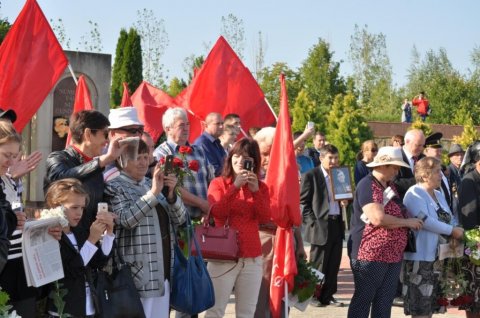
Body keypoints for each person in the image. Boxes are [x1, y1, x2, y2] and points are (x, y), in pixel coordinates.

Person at [105, 139, 187, 318]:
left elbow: (180, 219)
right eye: (137, 158)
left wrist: (171, 194)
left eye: (145, 157)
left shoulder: (150, 183)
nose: (143, 162)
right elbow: (126, 219)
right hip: (138, 273)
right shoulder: (114, 186)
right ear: (122, 161)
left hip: (163, 269)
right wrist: (153, 194)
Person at [347, 146, 423, 318]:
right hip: (371, 254)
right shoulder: (367, 184)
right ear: (382, 165)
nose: (397, 171)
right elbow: (377, 219)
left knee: (384, 300)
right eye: (394, 167)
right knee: (364, 299)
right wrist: (407, 222)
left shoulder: (390, 186)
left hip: (392, 254)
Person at [204, 138, 271, 317]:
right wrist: (235, 187)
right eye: (237, 155)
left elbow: (265, 218)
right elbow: (218, 212)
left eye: (246, 157)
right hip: (222, 256)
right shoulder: (218, 183)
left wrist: (255, 191)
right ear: (230, 157)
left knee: (246, 312)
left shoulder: (261, 188)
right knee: (215, 310)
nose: (240, 161)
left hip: (252, 258)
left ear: (254, 163)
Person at [253, 127, 306, 318]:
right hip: (262, 240)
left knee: (283, 296)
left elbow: (292, 212)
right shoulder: (249, 174)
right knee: (261, 295)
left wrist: (299, 244)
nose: (268, 158)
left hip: (286, 239)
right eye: (265, 153)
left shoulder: (290, 173)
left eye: (273, 152)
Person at [44, 178, 115, 317]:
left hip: (89, 307)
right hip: (64, 310)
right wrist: (92, 240)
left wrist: (109, 233)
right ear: (56, 205)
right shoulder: (52, 235)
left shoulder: (79, 231)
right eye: (74, 207)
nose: (79, 213)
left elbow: (98, 262)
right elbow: (72, 271)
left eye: (82, 207)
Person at [44, 110, 126, 232]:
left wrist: (108, 215)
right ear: (88, 134)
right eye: (105, 134)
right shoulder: (57, 158)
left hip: (90, 241)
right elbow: (61, 180)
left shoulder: (97, 168)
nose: (107, 141)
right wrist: (105, 159)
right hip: (64, 240)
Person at [402, 157, 464, 317]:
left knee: (432, 305)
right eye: (437, 172)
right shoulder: (414, 193)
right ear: (424, 175)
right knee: (421, 307)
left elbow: (449, 215)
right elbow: (426, 221)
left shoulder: (438, 193)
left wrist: (456, 227)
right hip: (421, 258)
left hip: (440, 256)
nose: (441, 175)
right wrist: (452, 230)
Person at [300, 144, 346, 307]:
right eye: (330, 158)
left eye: (336, 158)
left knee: (334, 263)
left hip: (336, 223)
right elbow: (303, 203)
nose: (334, 161)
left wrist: (346, 200)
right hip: (319, 225)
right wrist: (312, 223)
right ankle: (312, 295)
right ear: (321, 158)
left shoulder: (340, 175)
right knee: (318, 263)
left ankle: (328, 295)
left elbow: (346, 196)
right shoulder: (311, 175)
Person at [458, 141, 480, 317]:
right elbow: (468, 216)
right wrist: (474, 251)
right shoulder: (469, 180)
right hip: (475, 243)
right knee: (473, 295)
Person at [103, 106, 145, 181]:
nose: (138, 135)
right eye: (132, 131)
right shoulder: (102, 158)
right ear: (113, 133)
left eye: (140, 130)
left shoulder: (140, 154)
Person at [394, 129, 426, 199]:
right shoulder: (396, 157)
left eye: (422, 145)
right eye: (418, 145)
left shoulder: (423, 158)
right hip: (402, 204)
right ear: (407, 142)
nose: (421, 148)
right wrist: (419, 180)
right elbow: (394, 183)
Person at [423, 132, 452, 209]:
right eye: (437, 151)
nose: (440, 154)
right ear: (426, 151)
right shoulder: (424, 171)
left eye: (441, 151)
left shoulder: (441, 168)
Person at [194, 112, 226, 176]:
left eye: (222, 123)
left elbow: (226, 164)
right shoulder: (202, 143)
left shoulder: (217, 142)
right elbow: (213, 170)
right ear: (206, 125)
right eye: (217, 124)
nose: (221, 126)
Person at [447, 143, 464, 220]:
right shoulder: (448, 171)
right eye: (457, 155)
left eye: (461, 154)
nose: (460, 157)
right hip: (453, 209)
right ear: (450, 158)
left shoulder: (463, 170)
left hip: (463, 207)